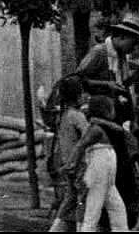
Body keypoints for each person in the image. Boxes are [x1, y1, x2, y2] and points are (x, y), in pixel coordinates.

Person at [78, 95, 133, 232]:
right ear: (106, 110)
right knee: (94, 207)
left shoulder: (102, 126)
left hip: (106, 170)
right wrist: (72, 165)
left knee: (116, 206)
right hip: (99, 166)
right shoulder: (96, 128)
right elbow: (80, 146)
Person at [76, 18, 139, 122]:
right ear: (122, 37)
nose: (134, 48)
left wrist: (137, 73)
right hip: (99, 114)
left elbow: (121, 85)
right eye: (134, 43)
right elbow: (77, 79)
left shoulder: (121, 57)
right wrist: (106, 84)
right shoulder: (99, 52)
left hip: (114, 112)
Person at [48, 77, 92, 232]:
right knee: (82, 200)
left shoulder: (63, 115)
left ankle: (55, 228)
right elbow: (89, 136)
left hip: (68, 164)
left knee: (70, 199)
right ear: (78, 96)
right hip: (80, 164)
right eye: (82, 94)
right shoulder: (77, 116)